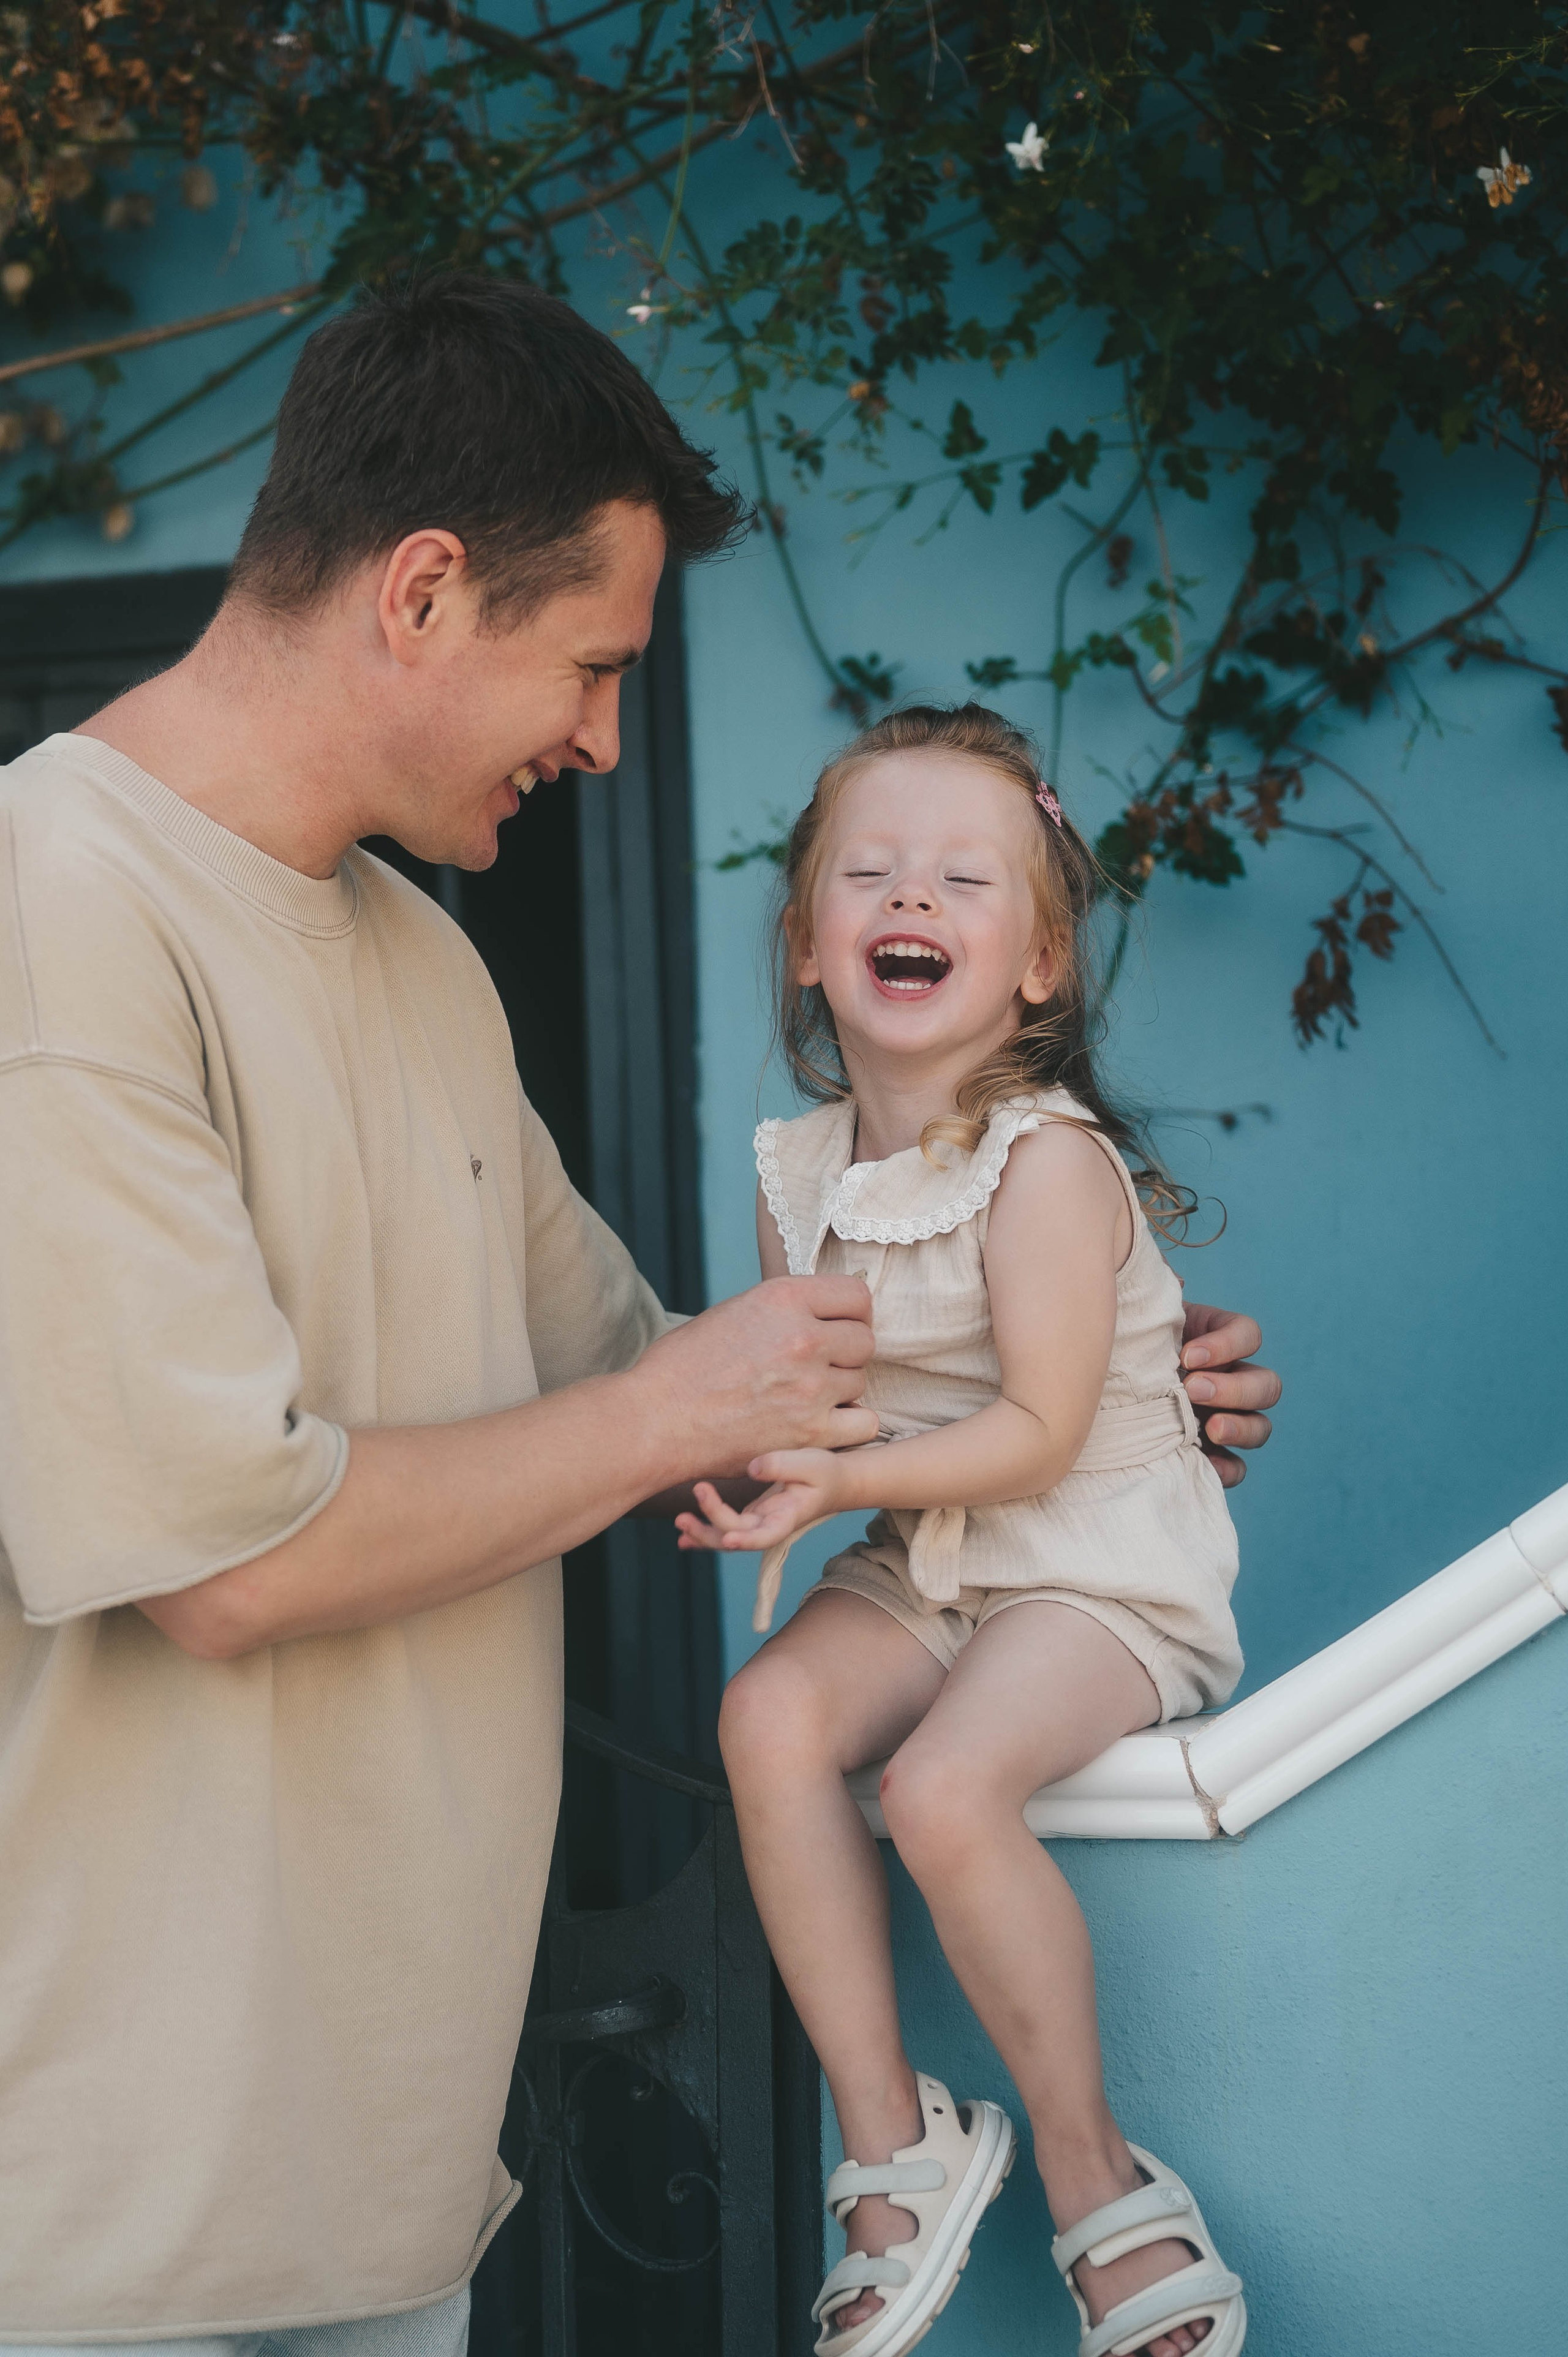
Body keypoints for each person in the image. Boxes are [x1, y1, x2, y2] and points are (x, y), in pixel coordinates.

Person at [0, 274, 1276, 2355]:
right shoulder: (55, 918)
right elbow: (224, 1561)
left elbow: (674, 1383)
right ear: (422, 592)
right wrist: (703, 1400)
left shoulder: (417, 955)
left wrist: (1109, 1383)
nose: (603, 737)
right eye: (592, 664)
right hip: (104, 2212)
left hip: (386, 2183)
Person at [679, 705, 1255, 2357]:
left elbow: (1041, 1434)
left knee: (940, 1787)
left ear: (1041, 967)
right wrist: (774, 1460)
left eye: (960, 878)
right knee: (768, 1716)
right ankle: (896, 2148)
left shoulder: (1049, 1161)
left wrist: (842, 1479)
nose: (908, 897)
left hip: (1093, 1560)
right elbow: (836, 1393)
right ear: (809, 942)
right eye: (869, 873)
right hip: (928, 1568)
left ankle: (1092, 2178)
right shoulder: (801, 1171)